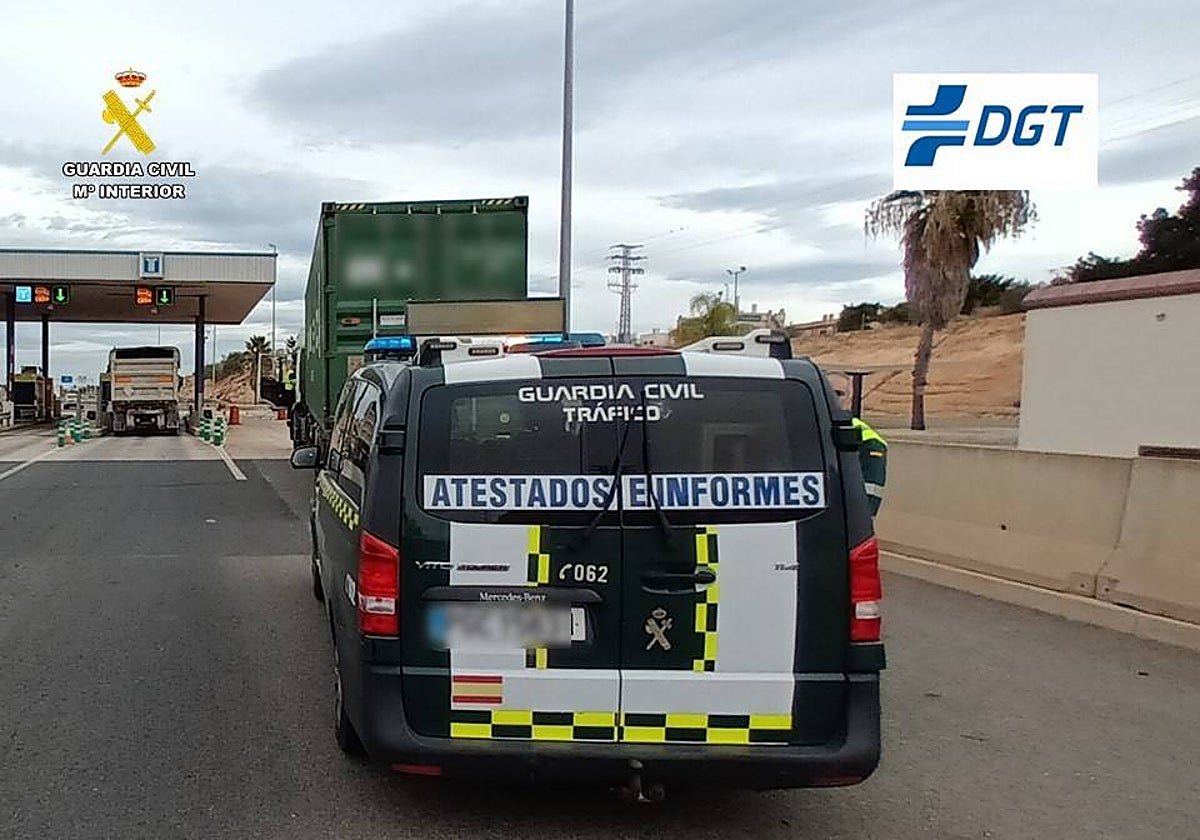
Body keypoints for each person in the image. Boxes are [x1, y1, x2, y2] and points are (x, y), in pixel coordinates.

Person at [835, 387, 887, 516]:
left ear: (849, 400)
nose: (833, 397)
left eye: (839, 393)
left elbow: (870, 495)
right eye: (827, 391)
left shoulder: (870, 442)